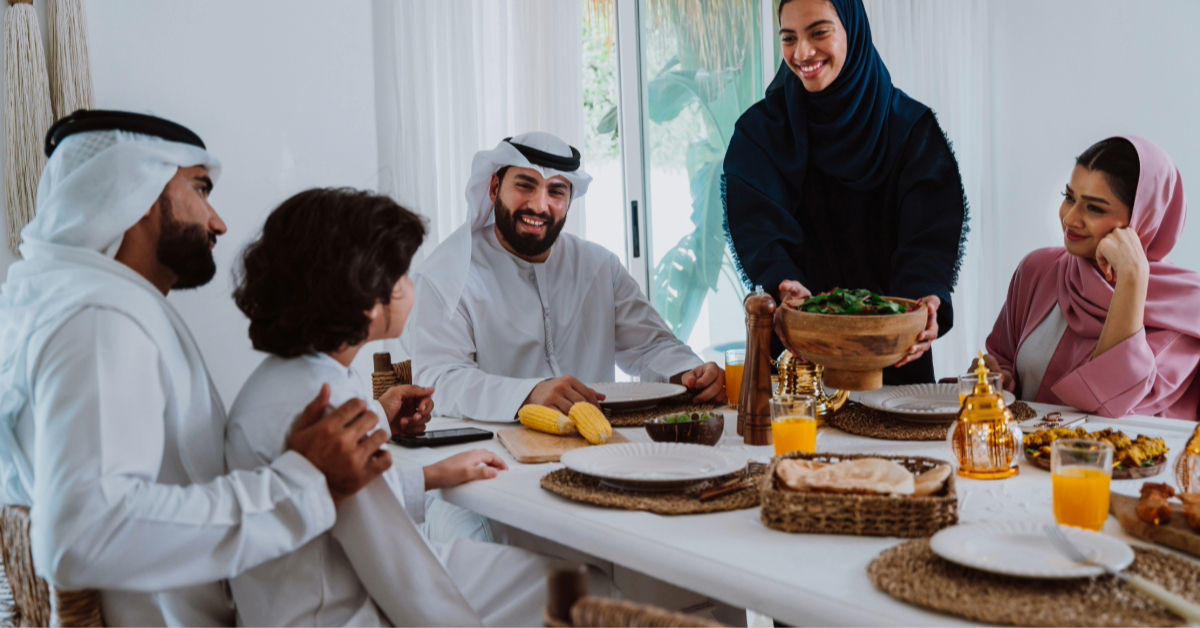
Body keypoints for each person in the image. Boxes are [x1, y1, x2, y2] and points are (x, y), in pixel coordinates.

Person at [0, 111, 390, 625]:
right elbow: (86, 534)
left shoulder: (83, 300)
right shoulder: (101, 319)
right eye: (200, 189)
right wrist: (300, 482)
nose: (219, 222)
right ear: (135, 189)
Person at [226, 187, 563, 626]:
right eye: (401, 275)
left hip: (315, 591)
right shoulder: (325, 412)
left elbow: (353, 509)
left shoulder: (294, 377)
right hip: (342, 611)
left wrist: (432, 474)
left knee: (535, 575)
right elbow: (401, 571)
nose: (411, 287)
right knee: (575, 587)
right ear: (362, 293)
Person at [722, 0, 968, 384]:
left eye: (819, 32)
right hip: (796, 359)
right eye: (789, 38)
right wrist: (783, 280)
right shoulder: (760, 134)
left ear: (853, 30)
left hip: (892, 359)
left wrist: (926, 299)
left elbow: (928, 239)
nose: (802, 53)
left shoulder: (912, 131)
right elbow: (760, 228)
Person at [407, 132, 726, 421]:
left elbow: (651, 346)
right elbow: (440, 380)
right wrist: (528, 396)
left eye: (556, 191)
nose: (539, 205)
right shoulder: (448, 274)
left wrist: (689, 372)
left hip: (599, 444)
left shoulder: (599, 266)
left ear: (569, 201)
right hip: (490, 455)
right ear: (493, 188)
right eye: (524, 185)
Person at [983, 137, 1200, 420]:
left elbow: (1111, 404)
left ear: (1143, 218)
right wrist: (999, 378)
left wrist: (1132, 279)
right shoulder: (1039, 270)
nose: (1070, 219)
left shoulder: (1185, 309)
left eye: (1094, 208)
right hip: (1025, 459)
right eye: (1069, 197)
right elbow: (1002, 358)